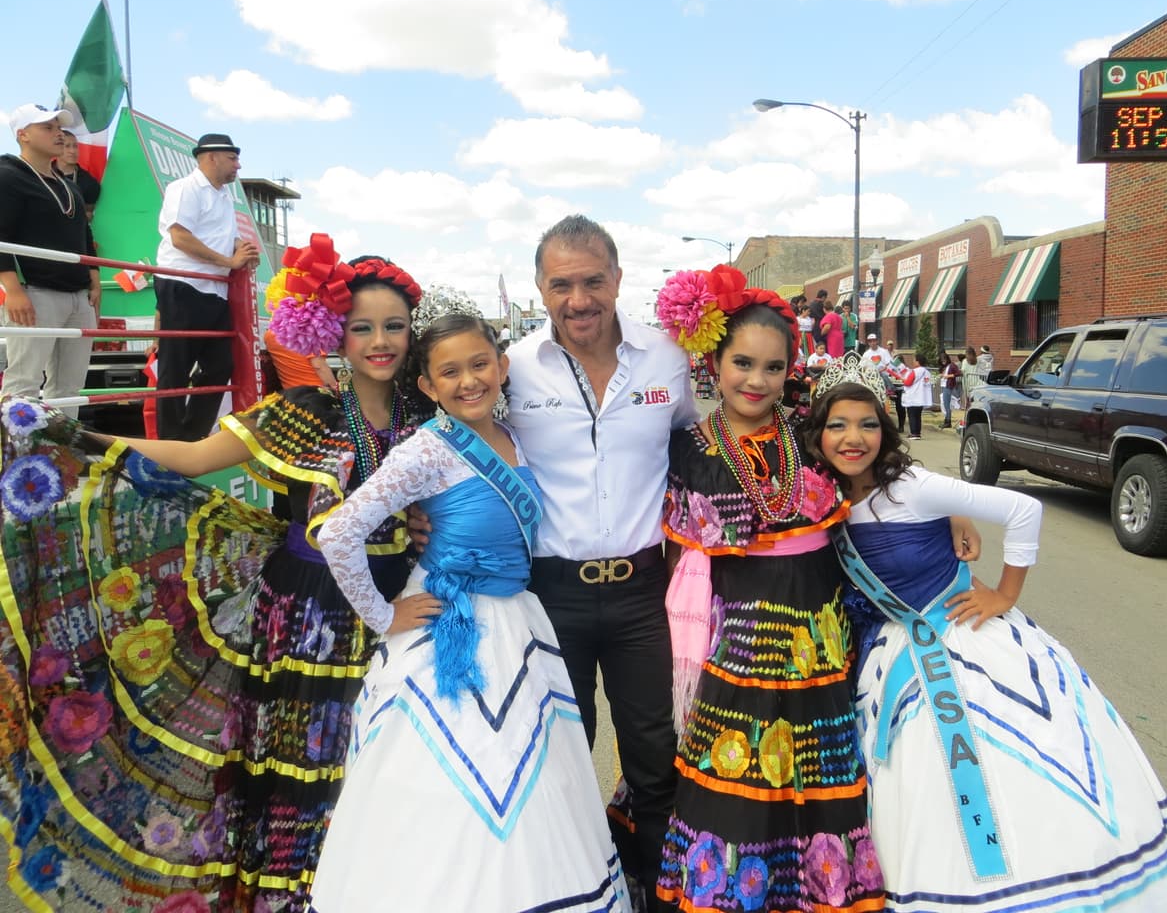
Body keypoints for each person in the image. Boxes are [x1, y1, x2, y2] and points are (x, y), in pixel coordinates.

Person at [0, 235, 430, 912]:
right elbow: (197, 457)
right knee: (307, 768)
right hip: (309, 618)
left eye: (394, 326)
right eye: (362, 327)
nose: (380, 341)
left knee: (386, 762)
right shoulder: (303, 411)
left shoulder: (427, 415)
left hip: (399, 610)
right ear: (332, 334)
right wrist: (75, 435)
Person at [803, 369, 1167, 911]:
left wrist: (1005, 594)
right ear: (818, 434)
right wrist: (956, 513)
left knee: (1009, 777)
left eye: (868, 424)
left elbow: (1024, 509)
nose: (853, 438)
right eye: (838, 425)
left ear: (886, 429)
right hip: (888, 652)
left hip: (965, 639)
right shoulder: (820, 494)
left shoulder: (914, 486)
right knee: (914, 792)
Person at [308, 303, 628, 910]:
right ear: (427, 385)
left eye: (480, 364)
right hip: (447, 626)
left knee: (531, 777)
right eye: (449, 372)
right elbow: (338, 533)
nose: (469, 381)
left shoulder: (510, 435)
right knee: (448, 781)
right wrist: (383, 616)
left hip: (517, 622)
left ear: (502, 365)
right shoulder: (425, 452)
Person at [653, 265, 886, 911]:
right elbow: (670, 546)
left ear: (791, 369)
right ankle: (732, 893)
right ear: (714, 362)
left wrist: (948, 517)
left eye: (773, 368)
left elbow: (877, 473)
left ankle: (819, 890)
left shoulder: (811, 434)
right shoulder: (687, 447)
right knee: (739, 766)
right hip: (739, 637)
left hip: (816, 626)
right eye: (743, 364)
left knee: (817, 770)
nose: (757, 381)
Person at [504, 214, 696, 912]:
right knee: (563, 745)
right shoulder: (513, 367)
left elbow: (705, 444)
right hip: (551, 592)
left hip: (646, 591)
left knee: (653, 749)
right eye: (562, 284)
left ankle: (659, 888)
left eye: (592, 281)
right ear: (540, 287)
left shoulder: (668, 359)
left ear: (617, 280)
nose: (578, 299)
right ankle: (580, 887)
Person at [154, 132, 260, 441]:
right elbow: (180, 237)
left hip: (213, 288)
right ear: (211, 157)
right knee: (176, 367)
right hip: (183, 282)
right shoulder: (185, 188)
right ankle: (172, 441)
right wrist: (228, 262)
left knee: (221, 364)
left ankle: (192, 433)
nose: (237, 166)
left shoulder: (224, 195)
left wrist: (243, 249)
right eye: (232, 158)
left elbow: (223, 237)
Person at [0, 104, 98, 418]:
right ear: (22, 135)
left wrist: (94, 284)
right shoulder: (7, 175)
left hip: (77, 296)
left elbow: (84, 236)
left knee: (69, 389)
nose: (58, 133)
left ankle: (60, 457)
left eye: (58, 127)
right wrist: (12, 289)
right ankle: (15, 460)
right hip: (35, 293)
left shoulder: (69, 185)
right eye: (47, 127)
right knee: (23, 383)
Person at [55, 130, 101, 224]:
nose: (72, 151)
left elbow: (89, 213)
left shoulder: (89, 183)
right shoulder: (41, 173)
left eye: (75, 146)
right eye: (67, 146)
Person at [900, 351, 932, 440]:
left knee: (912, 415)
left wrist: (903, 380)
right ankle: (917, 433)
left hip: (913, 397)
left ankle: (913, 433)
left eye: (914, 360)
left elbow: (908, 382)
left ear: (918, 362)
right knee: (918, 416)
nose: (913, 362)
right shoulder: (927, 372)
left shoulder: (915, 371)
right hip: (922, 398)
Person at [939, 349, 961, 428]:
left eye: (944, 360)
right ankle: (946, 420)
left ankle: (948, 421)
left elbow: (959, 373)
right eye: (942, 361)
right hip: (944, 385)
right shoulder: (945, 367)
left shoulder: (952, 365)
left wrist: (949, 376)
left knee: (946, 404)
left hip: (948, 386)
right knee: (945, 403)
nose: (943, 362)